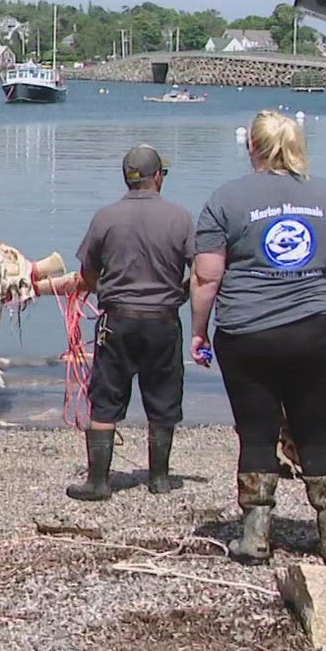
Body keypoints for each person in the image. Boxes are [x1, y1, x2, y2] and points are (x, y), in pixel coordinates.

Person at [188, 111, 326, 562]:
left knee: (257, 432)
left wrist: (198, 331)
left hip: (248, 333)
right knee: (317, 431)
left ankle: (255, 535)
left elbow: (206, 277)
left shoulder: (226, 199)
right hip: (318, 329)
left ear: (253, 148)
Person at [63, 145, 196, 501]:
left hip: (117, 321)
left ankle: (98, 481)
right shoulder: (180, 218)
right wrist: (180, 294)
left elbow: (88, 272)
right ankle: (160, 478)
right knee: (163, 399)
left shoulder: (105, 217)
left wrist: (103, 289)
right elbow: (203, 271)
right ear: (157, 177)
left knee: (105, 399)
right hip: (163, 321)